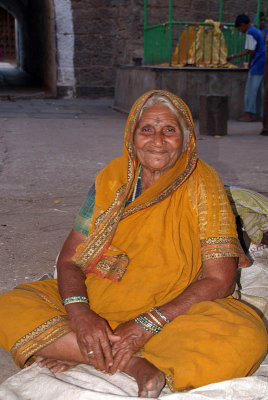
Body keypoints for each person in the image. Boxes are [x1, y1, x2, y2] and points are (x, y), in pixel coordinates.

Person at [0, 91, 267, 398]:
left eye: (169, 130)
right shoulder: (112, 179)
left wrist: (145, 324)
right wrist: (81, 315)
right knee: (9, 306)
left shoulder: (203, 182)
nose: (158, 141)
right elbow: (70, 259)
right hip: (102, 298)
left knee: (246, 335)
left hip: (172, 312)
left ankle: (78, 350)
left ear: (186, 138)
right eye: (147, 130)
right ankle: (134, 366)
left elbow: (220, 279)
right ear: (132, 135)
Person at [227, 14, 266, 122]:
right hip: (263, 63)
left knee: (251, 90)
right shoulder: (256, 31)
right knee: (260, 91)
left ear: (243, 25)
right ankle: (261, 114)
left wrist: (233, 57)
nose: (240, 31)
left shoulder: (250, 32)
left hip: (257, 63)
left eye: (239, 28)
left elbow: (250, 51)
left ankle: (249, 114)